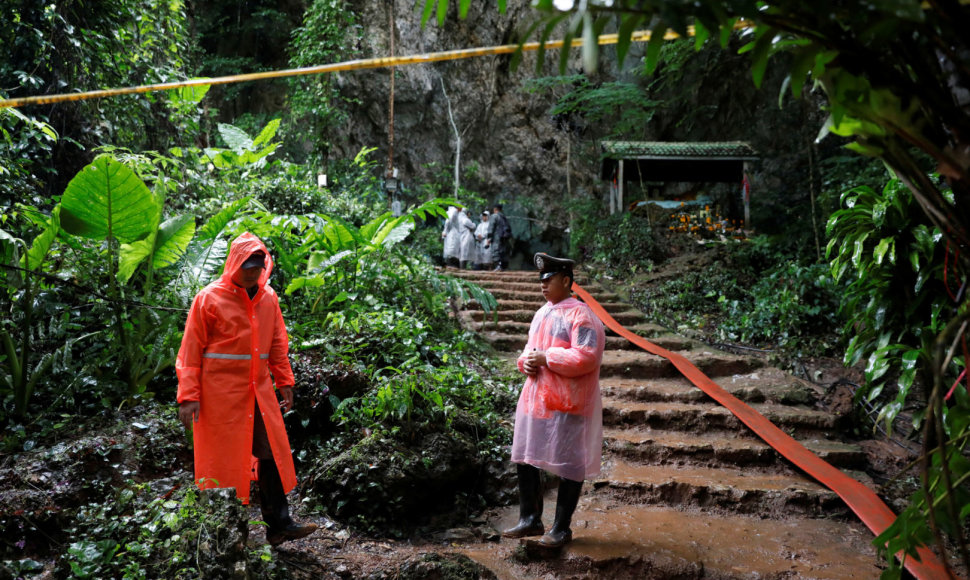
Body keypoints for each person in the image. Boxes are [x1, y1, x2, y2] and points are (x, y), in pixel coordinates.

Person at [176, 232, 317, 547]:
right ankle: (225, 535)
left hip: (259, 393)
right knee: (222, 465)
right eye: (247, 267)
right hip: (219, 398)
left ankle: (280, 524)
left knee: (271, 455)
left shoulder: (268, 298)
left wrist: (285, 381)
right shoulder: (209, 298)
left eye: (257, 266)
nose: (253, 273)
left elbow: (278, 343)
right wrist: (188, 397)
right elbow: (190, 351)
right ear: (234, 264)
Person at [502, 253, 605, 550]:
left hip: (569, 403)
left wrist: (547, 358)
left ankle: (561, 529)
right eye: (541, 281)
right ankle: (530, 519)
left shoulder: (582, 315)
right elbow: (528, 351)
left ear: (566, 280)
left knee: (571, 463)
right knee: (526, 456)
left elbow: (587, 357)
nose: (543, 286)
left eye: (549, 280)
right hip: (537, 399)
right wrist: (526, 363)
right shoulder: (542, 313)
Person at [485, 204, 511, 271]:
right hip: (504, 237)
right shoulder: (504, 217)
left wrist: (489, 238)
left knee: (495, 251)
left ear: (495, 209)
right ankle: (503, 267)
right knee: (503, 251)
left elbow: (491, 228)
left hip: (497, 236)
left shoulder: (494, 216)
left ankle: (498, 266)